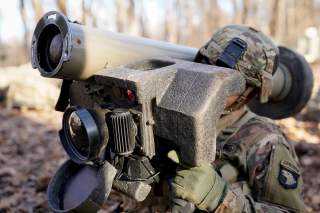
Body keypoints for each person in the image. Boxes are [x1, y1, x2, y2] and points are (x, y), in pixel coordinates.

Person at [170, 25, 305, 212]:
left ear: (250, 93)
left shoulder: (265, 141)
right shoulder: (174, 110)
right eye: (206, 67)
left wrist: (220, 199)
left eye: (229, 82)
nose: (210, 83)